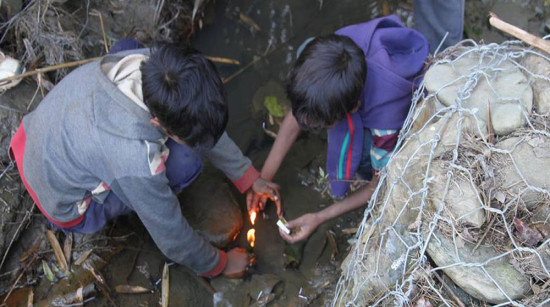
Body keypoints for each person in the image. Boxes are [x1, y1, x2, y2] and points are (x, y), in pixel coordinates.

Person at [9, 40, 278, 278]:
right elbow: (171, 237)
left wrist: (247, 176)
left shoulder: (154, 63)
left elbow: (201, 122)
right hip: (64, 202)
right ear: (157, 122)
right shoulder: (134, 158)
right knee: (186, 163)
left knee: (126, 44)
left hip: (34, 137)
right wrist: (220, 263)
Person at [248, 15, 429, 243]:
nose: (311, 126)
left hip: (397, 98)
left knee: (364, 157)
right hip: (363, 86)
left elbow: (378, 184)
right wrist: (264, 178)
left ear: (354, 108)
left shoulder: (386, 124)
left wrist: (319, 217)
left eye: (322, 124)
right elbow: (297, 116)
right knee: (306, 55)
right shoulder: (332, 55)